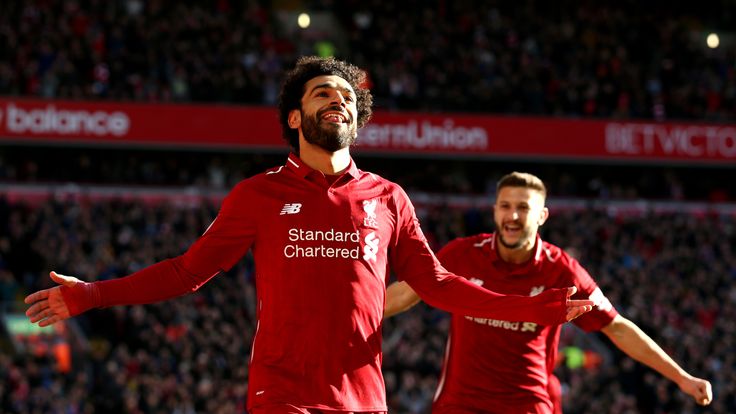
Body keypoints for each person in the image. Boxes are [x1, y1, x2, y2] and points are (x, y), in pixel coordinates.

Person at [24, 57, 594, 414]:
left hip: (365, 398)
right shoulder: (257, 194)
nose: (337, 99)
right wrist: (91, 294)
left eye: (345, 95)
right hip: (282, 394)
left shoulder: (389, 198)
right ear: (295, 118)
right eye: (322, 93)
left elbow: (438, 285)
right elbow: (185, 272)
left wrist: (531, 306)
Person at [384, 171, 713, 413]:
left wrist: (681, 377)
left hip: (528, 404)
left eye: (524, 208)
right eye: (505, 206)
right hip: (461, 404)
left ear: (542, 216)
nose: (512, 216)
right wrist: (339, 316)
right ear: (495, 210)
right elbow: (405, 293)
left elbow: (616, 326)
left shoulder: (562, 270)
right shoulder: (461, 254)